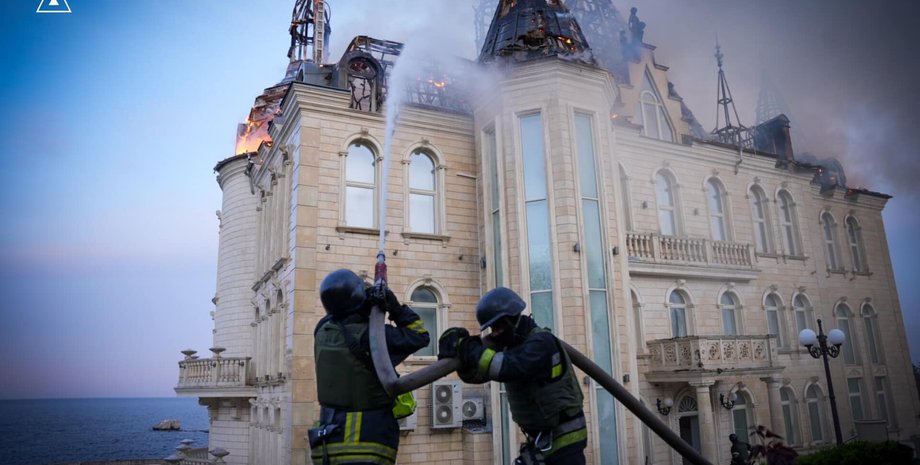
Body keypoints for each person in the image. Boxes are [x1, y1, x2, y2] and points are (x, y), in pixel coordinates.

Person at [438, 287, 587, 465]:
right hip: (544, 438)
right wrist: (460, 354)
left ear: (512, 318)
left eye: (498, 325)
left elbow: (505, 368)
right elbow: (477, 376)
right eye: (492, 328)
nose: (494, 332)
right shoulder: (513, 345)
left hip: (564, 438)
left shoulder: (541, 343)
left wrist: (470, 349)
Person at [309, 269, 430, 465]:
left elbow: (339, 315)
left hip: (328, 441)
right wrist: (393, 306)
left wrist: (364, 304)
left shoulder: (322, 331)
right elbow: (420, 334)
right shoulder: (372, 338)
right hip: (366, 441)